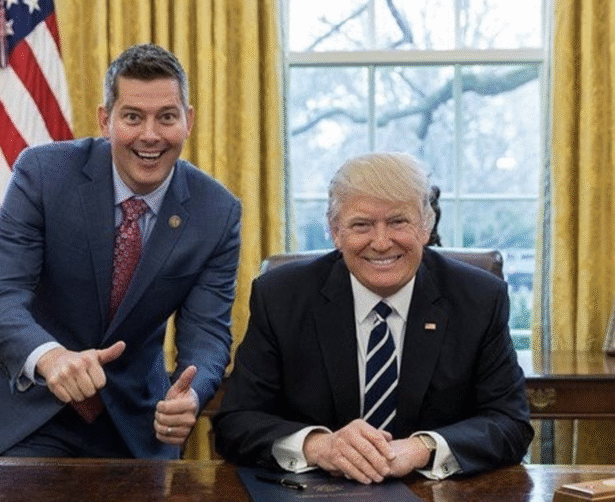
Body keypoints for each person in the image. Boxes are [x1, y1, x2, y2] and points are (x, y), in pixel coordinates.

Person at [0, 43, 241, 458]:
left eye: (167, 117)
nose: (150, 135)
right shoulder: (43, 174)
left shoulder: (217, 212)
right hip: (23, 406)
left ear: (188, 121)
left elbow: (208, 331)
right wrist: (50, 357)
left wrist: (192, 392)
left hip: (131, 421)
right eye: (133, 117)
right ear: (106, 120)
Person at [213, 152, 532, 483]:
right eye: (361, 225)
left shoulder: (479, 298)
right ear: (335, 231)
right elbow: (235, 423)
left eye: (398, 222)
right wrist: (319, 446)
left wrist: (423, 448)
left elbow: (510, 423)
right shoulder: (281, 297)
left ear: (426, 225)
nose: (380, 243)